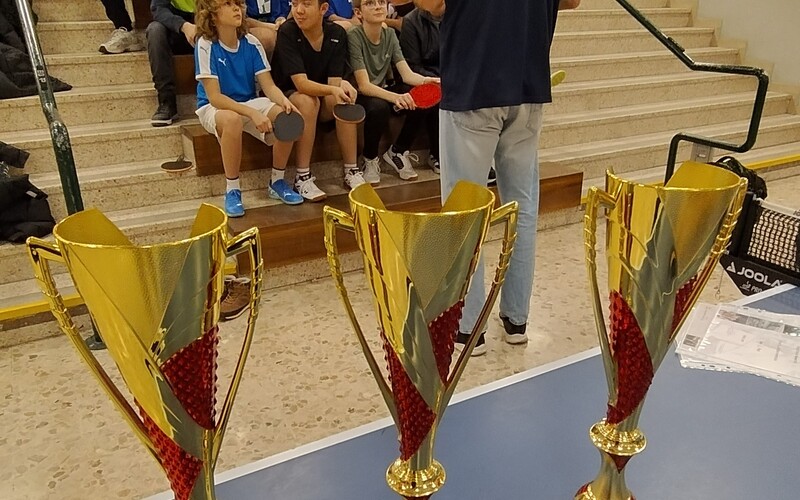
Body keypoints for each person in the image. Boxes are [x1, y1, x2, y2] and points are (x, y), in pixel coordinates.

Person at [417, 0, 581, 356]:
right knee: (523, 206)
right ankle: (516, 319)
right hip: (527, 80)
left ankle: (468, 327)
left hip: (474, 80)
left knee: (464, 209)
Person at [194, 0, 301, 217]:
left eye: (238, 3)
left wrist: (284, 101)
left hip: (248, 102)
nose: (237, 8)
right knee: (232, 120)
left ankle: (277, 181)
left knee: (286, 116)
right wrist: (251, 113)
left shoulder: (251, 42)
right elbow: (215, 98)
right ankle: (232, 190)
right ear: (212, 15)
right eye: (228, 4)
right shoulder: (205, 44)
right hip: (213, 107)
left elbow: (269, 86)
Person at [271, 0, 365, 201]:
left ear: (323, 9)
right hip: (287, 96)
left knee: (344, 99)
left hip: (320, 95)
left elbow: (333, 82)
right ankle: (302, 177)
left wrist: (340, 87)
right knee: (308, 101)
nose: (299, 10)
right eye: (295, 3)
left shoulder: (337, 34)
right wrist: (333, 88)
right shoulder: (287, 31)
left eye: (306, 4)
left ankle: (351, 170)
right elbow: (301, 84)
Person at [147, 0, 280, 127]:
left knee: (264, 36)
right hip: (180, 29)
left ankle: (257, 91)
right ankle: (166, 102)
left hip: (216, 26)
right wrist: (183, 26)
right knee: (155, 30)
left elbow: (234, 8)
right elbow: (158, 9)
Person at [348, 0, 439, 185]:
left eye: (381, 2)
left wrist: (428, 81)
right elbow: (364, 86)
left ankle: (398, 151)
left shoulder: (389, 34)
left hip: (383, 90)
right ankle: (369, 159)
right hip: (359, 95)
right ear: (358, 13)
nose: (378, 6)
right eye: (370, 3)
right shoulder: (354, 35)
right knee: (379, 107)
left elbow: (407, 74)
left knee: (423, 94)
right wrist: (397, 97)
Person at [398, 4, 440, 173]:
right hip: (421, 77)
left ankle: (483, 158)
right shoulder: (411, 21)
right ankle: (437, 154)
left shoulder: (458, 17)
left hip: (451, 75)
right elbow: (413, 66)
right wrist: (438, 80)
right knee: (433, 94)